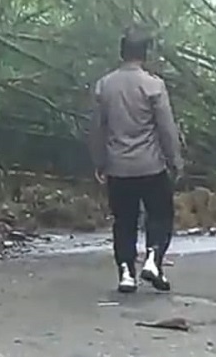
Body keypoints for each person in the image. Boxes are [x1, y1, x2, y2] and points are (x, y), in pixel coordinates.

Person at [89, 27, 183, 293]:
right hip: (151, 166)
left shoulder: (104, 85)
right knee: (161, 215)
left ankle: (126, 273)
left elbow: (97, 127)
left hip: (118, 167)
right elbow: (166, 128)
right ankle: (153, 260)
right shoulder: (154, 85)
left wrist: (99, 161)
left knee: (124, 220)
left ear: (122, 52)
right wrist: (174, 159)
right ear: (145, 54)